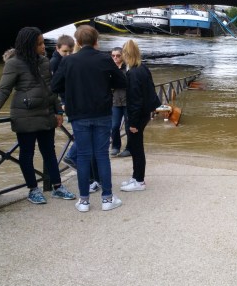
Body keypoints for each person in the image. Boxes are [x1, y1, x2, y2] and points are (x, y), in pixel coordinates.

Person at [0, 27, 76, 204]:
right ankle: (33, 189)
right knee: (27, 154)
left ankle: (57, 187)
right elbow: (3, 91)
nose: (42, 46)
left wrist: (59, 111)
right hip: (25, 115)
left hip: (46, 114)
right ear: (29, 45)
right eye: (39, 43)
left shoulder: (44, 61)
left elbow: (50, 88)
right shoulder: (13, 63)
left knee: (49, 152)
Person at [51, 25, 126, 212]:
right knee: (102, 155)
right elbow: (121, 81)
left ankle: (84, 201)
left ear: (77, 42)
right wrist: (105, 84)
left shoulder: (69, 61)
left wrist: (72, 91)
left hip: (78, 114)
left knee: (83, 156)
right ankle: (107, 198)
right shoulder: (104, 59)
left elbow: (55, 85)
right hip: (102, 113)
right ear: (96, 41)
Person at [120, 40, 160, 192]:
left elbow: (135, 100)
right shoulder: (142, 68)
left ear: (126, 54)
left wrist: (133, 123)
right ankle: (136, 176)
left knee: (136, 147)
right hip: (145, 112)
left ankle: (139, 180)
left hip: (138, 115)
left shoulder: (133, 73)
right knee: (136, 146)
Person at [110, 46, 131, 158]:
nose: (115, 58)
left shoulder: (127, 68)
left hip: (127, 101)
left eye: (118, 55)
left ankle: (129, 148)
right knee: (114, 126)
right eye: (113, 56)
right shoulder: (110, 68)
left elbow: (126, 83)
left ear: (122, 56)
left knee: (128, 126)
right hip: (115, 102)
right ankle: (115, 146)